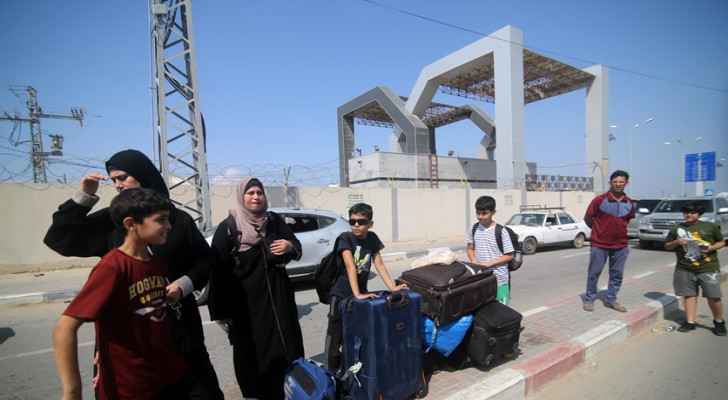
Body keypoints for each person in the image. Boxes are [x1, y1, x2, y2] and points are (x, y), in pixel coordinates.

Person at [44, 149, 223, 398]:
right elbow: (59, 239)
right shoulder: (114, 222)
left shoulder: (176, 220)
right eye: (114, 180)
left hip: (179, 332)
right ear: (129, 225)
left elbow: (206, 261)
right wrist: (84, 196)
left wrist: (184, 284)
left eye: (123, 177)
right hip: (129, 344)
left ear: (142, 175)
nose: (118, 184)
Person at [53, 188, 197, 400]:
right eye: (161, 220)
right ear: (131, 224)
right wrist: (72, 391)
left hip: (161, 381)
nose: (168, 226)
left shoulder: (155, 263)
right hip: (127, 387)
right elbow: (64, 328)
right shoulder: (112, 267)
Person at [207, 177, 304, 399]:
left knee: (286, 345)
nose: (256, 197)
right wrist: (221, 313)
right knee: (251, 353)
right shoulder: (230, 228)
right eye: (250, 193)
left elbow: (295, 247)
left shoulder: (275, 221)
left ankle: (291, 390)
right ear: (242, 197)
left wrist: (289, 246)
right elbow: (217, 271)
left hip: (279, 300)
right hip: (246, 304)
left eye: (259, 193)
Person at [324, 202, 409, 373]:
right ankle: (332, 373)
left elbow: (379, 264)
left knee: (355, 333)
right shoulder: (345, 238)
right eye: (352, 221)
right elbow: (349, 266)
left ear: (370, 224)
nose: (356, 225)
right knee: (335, 337)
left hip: (359, 294)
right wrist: (357, 294)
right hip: (341, 294)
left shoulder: (372, 239)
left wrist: (393, 287)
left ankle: (352, 368)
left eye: (361, 222)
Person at [665, 202, 726, 336]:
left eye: (692, 212)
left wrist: (710, 248)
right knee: (689, 295)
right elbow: (667, 246)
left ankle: (719, 322)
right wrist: (676, 242)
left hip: (708, 268)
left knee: (714, 297)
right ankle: (690, 322)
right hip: (684, 268)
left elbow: (722, 242)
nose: (688, 215)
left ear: (699, 214)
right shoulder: (676, 228)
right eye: (686, 212)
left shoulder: (710, 226)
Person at [582, 170, 635, 312]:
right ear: (610, 183)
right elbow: (588, 219)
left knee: (617, 274)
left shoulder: (629, 203)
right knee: (594, 272)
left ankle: (611, 299)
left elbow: (627, 221)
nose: (618, 184)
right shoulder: (599, 200)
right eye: (615, 181)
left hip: (621, 245)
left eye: (621, 182)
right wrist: (599, 231)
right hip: (599, 244)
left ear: (626, 183)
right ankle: (589, 298)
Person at [466, 195, 515, 305]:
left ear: (493, 212)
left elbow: (509, 255)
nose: (480, 217)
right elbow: (470, 248)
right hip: (481, 279)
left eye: (484, 214)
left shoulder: (501, 231)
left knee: (501, 312)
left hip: (500, 281)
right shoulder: (473, 229)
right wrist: (474, 261)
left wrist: (488, 264)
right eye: (478, 213)